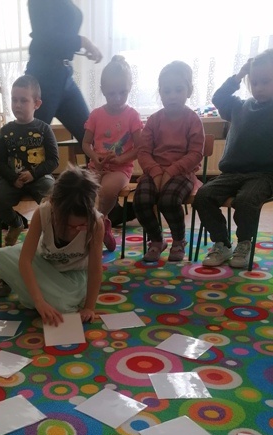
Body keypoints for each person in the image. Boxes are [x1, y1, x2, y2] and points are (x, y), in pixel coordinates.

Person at [0, 165, 104, 326]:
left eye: (80, 226)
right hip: (44, 263)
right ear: (53, 204)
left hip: (73, 275)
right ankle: (36, 292)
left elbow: (95, 270)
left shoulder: (95, 223)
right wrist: (39, 302)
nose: (74, 230)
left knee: (63, 305)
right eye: (68, 225)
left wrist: (89, 307)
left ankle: (33, 290)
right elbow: (26, 260)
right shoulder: (43, 213)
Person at [195, 49, 273, 269]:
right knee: (203, 196)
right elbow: (218, 98)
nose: (259, 87)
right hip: (232, 173)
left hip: (263, 175)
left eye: (266, 82)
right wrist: (239, 75)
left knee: (246, 201)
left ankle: (244, 243)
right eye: (254, 82)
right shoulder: (240, 106)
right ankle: (222, 243)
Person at [133, 61, 205, 262]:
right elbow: (143, 151)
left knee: (168, 200)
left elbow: (195, 153)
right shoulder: (154, 120)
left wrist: (171, 171)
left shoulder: (193, 119)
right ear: (161, 93)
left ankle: (179, 240)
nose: (172, 96)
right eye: (167, 91)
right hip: (154, 172)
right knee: (141, 200)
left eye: (178, 90)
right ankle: (157, 240)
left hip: (182, 173)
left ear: (189, 91)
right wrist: (156, 171)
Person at [82, 55, 143, 251]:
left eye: (122, 93)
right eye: (111, 93)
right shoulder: (96, 115)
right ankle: (101, 224)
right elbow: (85, 143)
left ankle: (95, 225)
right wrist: (95, 157)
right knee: (81, 191)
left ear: (130, 87)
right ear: (103, 90)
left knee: (106, 191)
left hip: (120, 169)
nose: (117, 98)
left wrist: (121, 159)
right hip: (96, 166)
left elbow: (140, 148)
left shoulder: (132, 115)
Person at [0, 75, 59, 246]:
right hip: (12, 179)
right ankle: (16, 223)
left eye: (23, 100)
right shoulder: (5, 131)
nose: (17, 105)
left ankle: (49, 234)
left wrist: (34, 174)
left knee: (54, 200)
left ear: (37, 104)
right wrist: (13, 178)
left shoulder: (44, 129)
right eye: (14, 100)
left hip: (39, 177)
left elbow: (53, 160)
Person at [25, 0, 102, 144]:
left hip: (64, 74)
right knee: (33, 144)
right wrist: (83, 42)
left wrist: (75, 47)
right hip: (43, 76)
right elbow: (44, 37)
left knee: (92, 140)